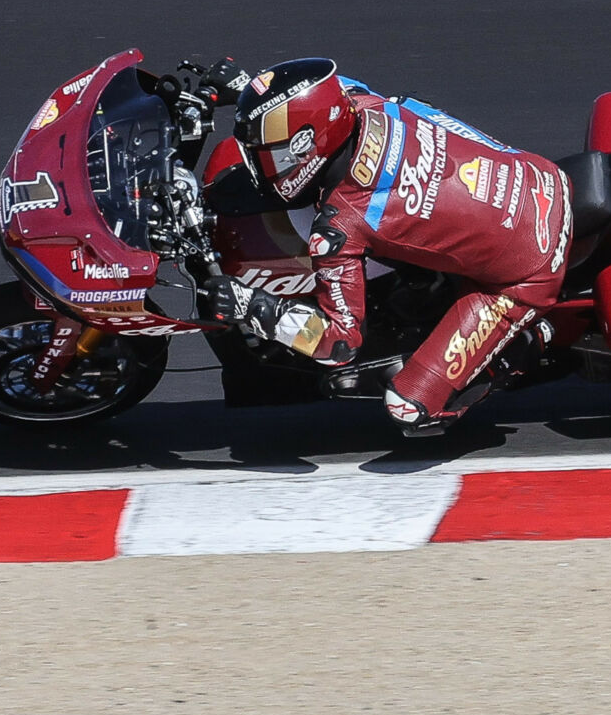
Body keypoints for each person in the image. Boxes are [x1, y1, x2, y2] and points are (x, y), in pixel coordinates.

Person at [198, 58, 573, 436]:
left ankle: (530, 341)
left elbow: (339, 343)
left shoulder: (340, 224)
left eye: (271, 156)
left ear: (305, 149)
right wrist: (248, 91)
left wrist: (255, 306)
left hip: (528, 268)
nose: (261, 169)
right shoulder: (358, 99)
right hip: (539, 175)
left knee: (408, 407)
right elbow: (307, 95)